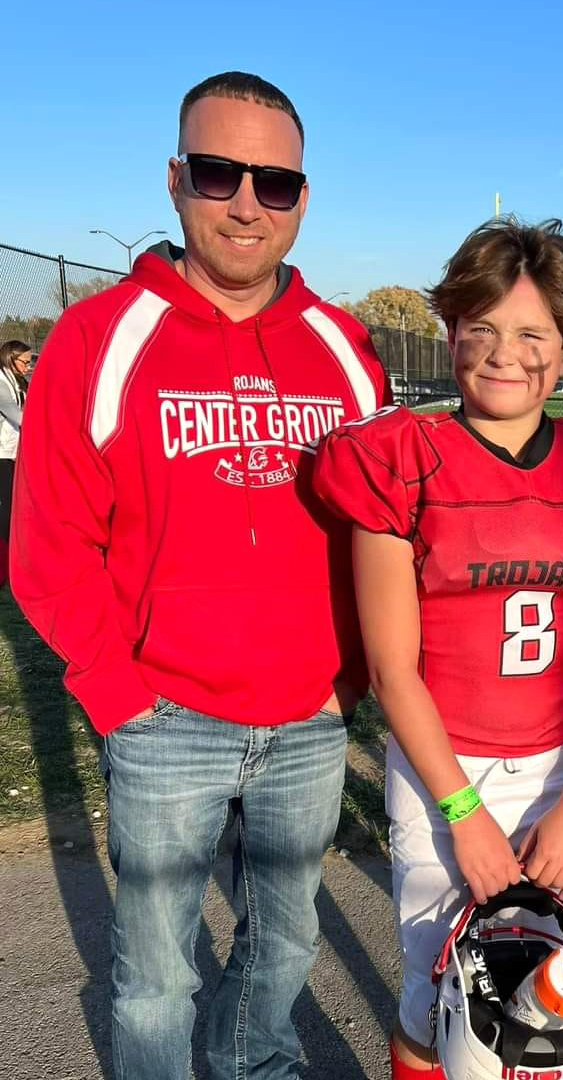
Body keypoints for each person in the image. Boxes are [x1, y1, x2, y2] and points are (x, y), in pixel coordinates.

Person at [10, 72, 389, 1080]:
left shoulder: (346, 350)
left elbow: (384, 536)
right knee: (155, 979)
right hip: (165, 716)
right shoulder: (99, 340)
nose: (245, 202)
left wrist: (345, 677)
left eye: (274, 182)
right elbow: (48, 545)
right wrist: (120, 694)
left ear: (303, 198)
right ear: (178, 179)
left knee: (286, 950)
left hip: (308, 719)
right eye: (220, 172)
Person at [313, 217, 563, 1080]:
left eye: (532, 335)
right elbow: (393, 668)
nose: (503, 354)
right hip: (443, 769)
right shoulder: (402, 458)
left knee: (543, 1000)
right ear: (450, 332)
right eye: (482, 329)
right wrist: (463, 815)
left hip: (557, 764)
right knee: (435, 997)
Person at [0, 339, 31, 588]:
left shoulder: (18, 382)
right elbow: (16, 414)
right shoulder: (1, 383)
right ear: (11, 358)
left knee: (14, 504)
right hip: (2, 453)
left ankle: (13, 556)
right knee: (7, 506)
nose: (28, 366)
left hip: (14, 451)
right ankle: (8, 560)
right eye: (25, 361)